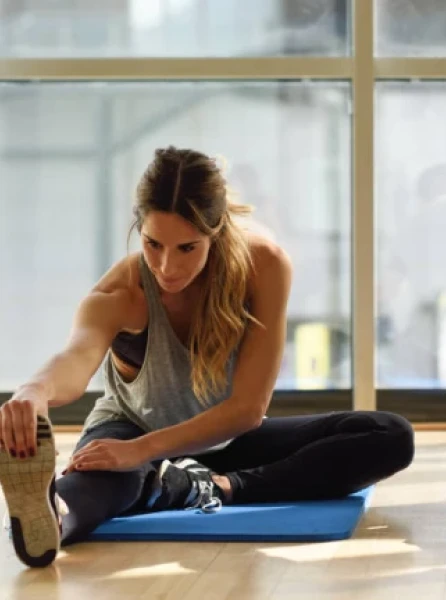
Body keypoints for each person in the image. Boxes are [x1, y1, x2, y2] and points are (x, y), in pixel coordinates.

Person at [0, 147, 415, 569]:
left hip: (223, 437)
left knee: (388, 434)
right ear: (138, 228)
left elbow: (247, 410)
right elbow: (76, 357)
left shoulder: (264, 266)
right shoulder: (121, 292)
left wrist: (146, 451)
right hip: (130, 430)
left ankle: (211, 486)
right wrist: (36, 390)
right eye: (152, 243)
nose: (166, 266)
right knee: (106, 481)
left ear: (215, 231)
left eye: (187, 248)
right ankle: (53, 520)